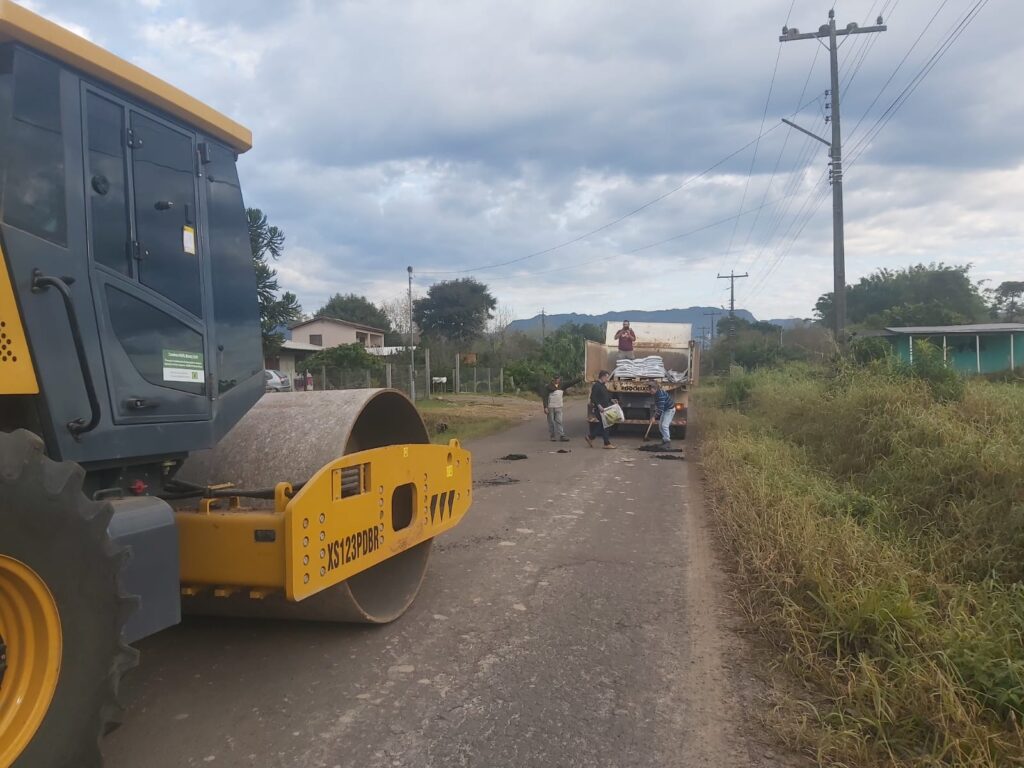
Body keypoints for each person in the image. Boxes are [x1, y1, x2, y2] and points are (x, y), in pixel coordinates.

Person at [585, 370, 617, 449]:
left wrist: (611, 400)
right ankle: (606, 443)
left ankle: (591, 437)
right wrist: (599, 406)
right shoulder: (596, 386)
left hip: (605, 408)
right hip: (600, 409)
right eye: (606, 377)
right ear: (602, 377)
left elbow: (605, 396)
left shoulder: (603, 385)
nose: (607, 379)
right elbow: (593, 397)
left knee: (604, 425)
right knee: (605, 425)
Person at [541, 375, 571, 442]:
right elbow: (545, 397)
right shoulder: (548, 387)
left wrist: (580, 378)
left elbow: (571, 382)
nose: (557, 380)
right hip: (550, 407)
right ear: (553, 379)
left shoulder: (562, 385)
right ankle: (552, 436)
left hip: (559, 406)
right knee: (551, 422)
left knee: (559, 421)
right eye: (556, 379)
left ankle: (562, 435)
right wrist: (545, 407)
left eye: (558, 379)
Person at [647, 381, 675, 450]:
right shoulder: (656, 394)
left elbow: (661, 409)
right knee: (660, 426)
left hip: (670, 410)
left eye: (651, 390)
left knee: (664, 425)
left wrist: (654, 417)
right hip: (665, 410)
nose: (650, 391)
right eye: (649, 389)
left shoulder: (660, 395)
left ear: (655, 388)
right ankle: (664, 441)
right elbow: (659, 407)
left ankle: (667, 442)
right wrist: (654, 415)